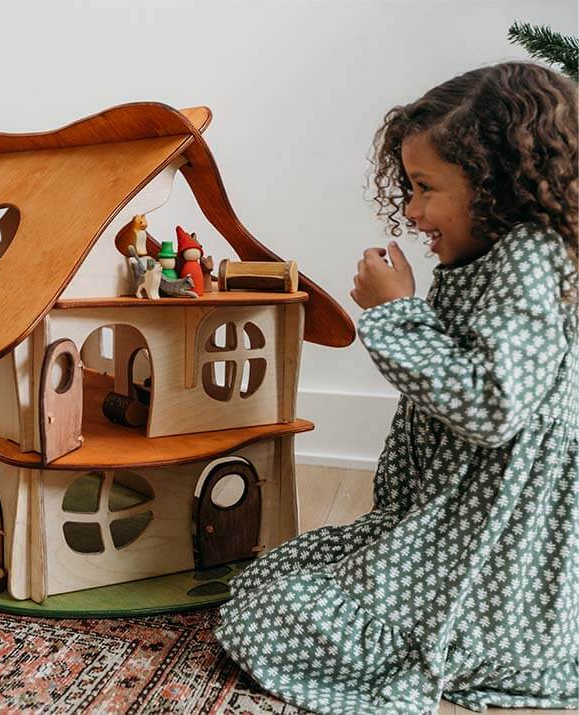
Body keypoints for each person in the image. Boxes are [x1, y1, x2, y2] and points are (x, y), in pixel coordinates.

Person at [215, 62, 577, 713]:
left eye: (425, 188)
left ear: (494, 183)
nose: (411, 210)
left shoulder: (529, 258)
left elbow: (491, 408)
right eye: (408, 187)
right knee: (270, 576)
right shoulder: (496, 257)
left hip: (493, 557)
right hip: (446, 526)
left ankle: (484, 650)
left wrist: (395, 311)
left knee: (268, 617)